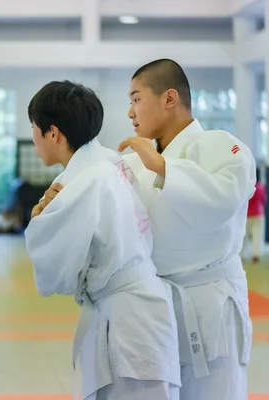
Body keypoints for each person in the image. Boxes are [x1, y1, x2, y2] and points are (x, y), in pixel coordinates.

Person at [24, 80, 180, 400]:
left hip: (129, 319)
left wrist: (39, 218)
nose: (33, 137)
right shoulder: (109, 165)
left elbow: (54, 273)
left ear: (52, 132)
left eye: (34, 127)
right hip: (138, 308)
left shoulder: (87, 180)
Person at [119, 58, 256, 400]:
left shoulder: (221, 145)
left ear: (169, 98)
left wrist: (163, 167)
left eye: (136, 99)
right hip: (155, 305)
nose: (130, 112)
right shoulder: (135, 161)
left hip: (209, 303)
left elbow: (221, 202)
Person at [244, 168, 266, 263]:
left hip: (246, 215)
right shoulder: (260, 188)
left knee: (244, 236)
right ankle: (256, 255)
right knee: (257, 235)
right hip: (258, 214)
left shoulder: (246, 187)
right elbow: (264, 200)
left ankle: (243, 255)